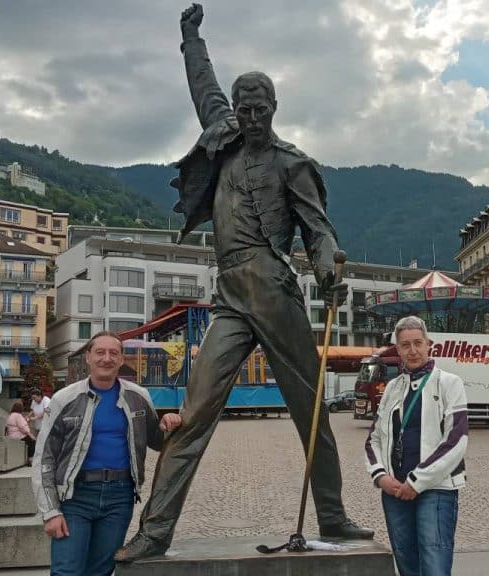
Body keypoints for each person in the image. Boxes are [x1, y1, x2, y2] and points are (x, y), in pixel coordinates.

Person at [115, 3, 372, 562]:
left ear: (274, 109)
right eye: (243, 108)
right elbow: (201, 83)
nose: (251, 117)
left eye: (259, 109)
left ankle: (332, 514)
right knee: (195, 409)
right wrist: (190, 37)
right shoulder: (222, 138)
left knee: (311, 412)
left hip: (276, 292)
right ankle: (155, 531)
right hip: (230, 297)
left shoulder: (292, 164)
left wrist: (329, 266)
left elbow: (319, 232)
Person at [31, 332, 182, 576]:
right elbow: (43, 458)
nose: (106, 358)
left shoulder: (138, 397)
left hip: (119, 498)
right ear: (88, 357)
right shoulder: (64, 399)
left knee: (101, 572)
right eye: (100, 352)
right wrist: (50, 512)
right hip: (74, 498)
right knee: (66, 571)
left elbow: (157, 440)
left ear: (122, 359)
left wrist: (169, 423)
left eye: (114, 353)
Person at [365, 316, 469, 576]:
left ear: (429, 345)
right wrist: (381, 477)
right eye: (405, 345)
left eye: (417, 343)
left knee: (434, 566)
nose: (412, 350)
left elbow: (456, 440)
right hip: (395, 492)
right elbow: (373, 439)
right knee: (407, 565)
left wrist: (417, 481)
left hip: (437, 489)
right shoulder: (392, 388)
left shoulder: (449, 382)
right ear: (397, 350)